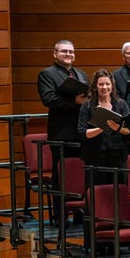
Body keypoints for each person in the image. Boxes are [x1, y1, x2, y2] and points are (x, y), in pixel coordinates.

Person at [37, 39, 88, 168]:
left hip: (81, 132)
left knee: (79, 172)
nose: (68, 54)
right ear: (55, 54)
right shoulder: (47, 74)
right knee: (61, 172)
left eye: (71, 51)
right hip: (62, 133)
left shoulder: (81, 74)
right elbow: (48, 99)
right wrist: (74, 101)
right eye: (64, 51)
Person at [77, 69, 130, 169]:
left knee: (118, 184)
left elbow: (129, 130)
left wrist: (118, 129)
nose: (105, 87)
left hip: (117, 153)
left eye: (107, 84)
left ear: (112, 86)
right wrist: (102, 127)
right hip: (94, 154)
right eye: (101, 84)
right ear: (95, 87)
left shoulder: (121, 104)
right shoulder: (87, 105)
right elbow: (82, 132)